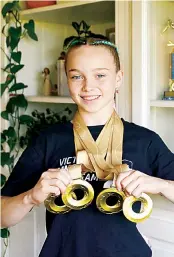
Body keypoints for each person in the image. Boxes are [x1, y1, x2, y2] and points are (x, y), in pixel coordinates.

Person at [1, 36, 174, 257]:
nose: (88, 86)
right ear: (67, 79)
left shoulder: (145, 141)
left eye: (100, 75)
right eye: (76, 76)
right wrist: (32, 196)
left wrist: (159, 184)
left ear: (118, 78)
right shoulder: (49, 140)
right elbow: (2, 218)